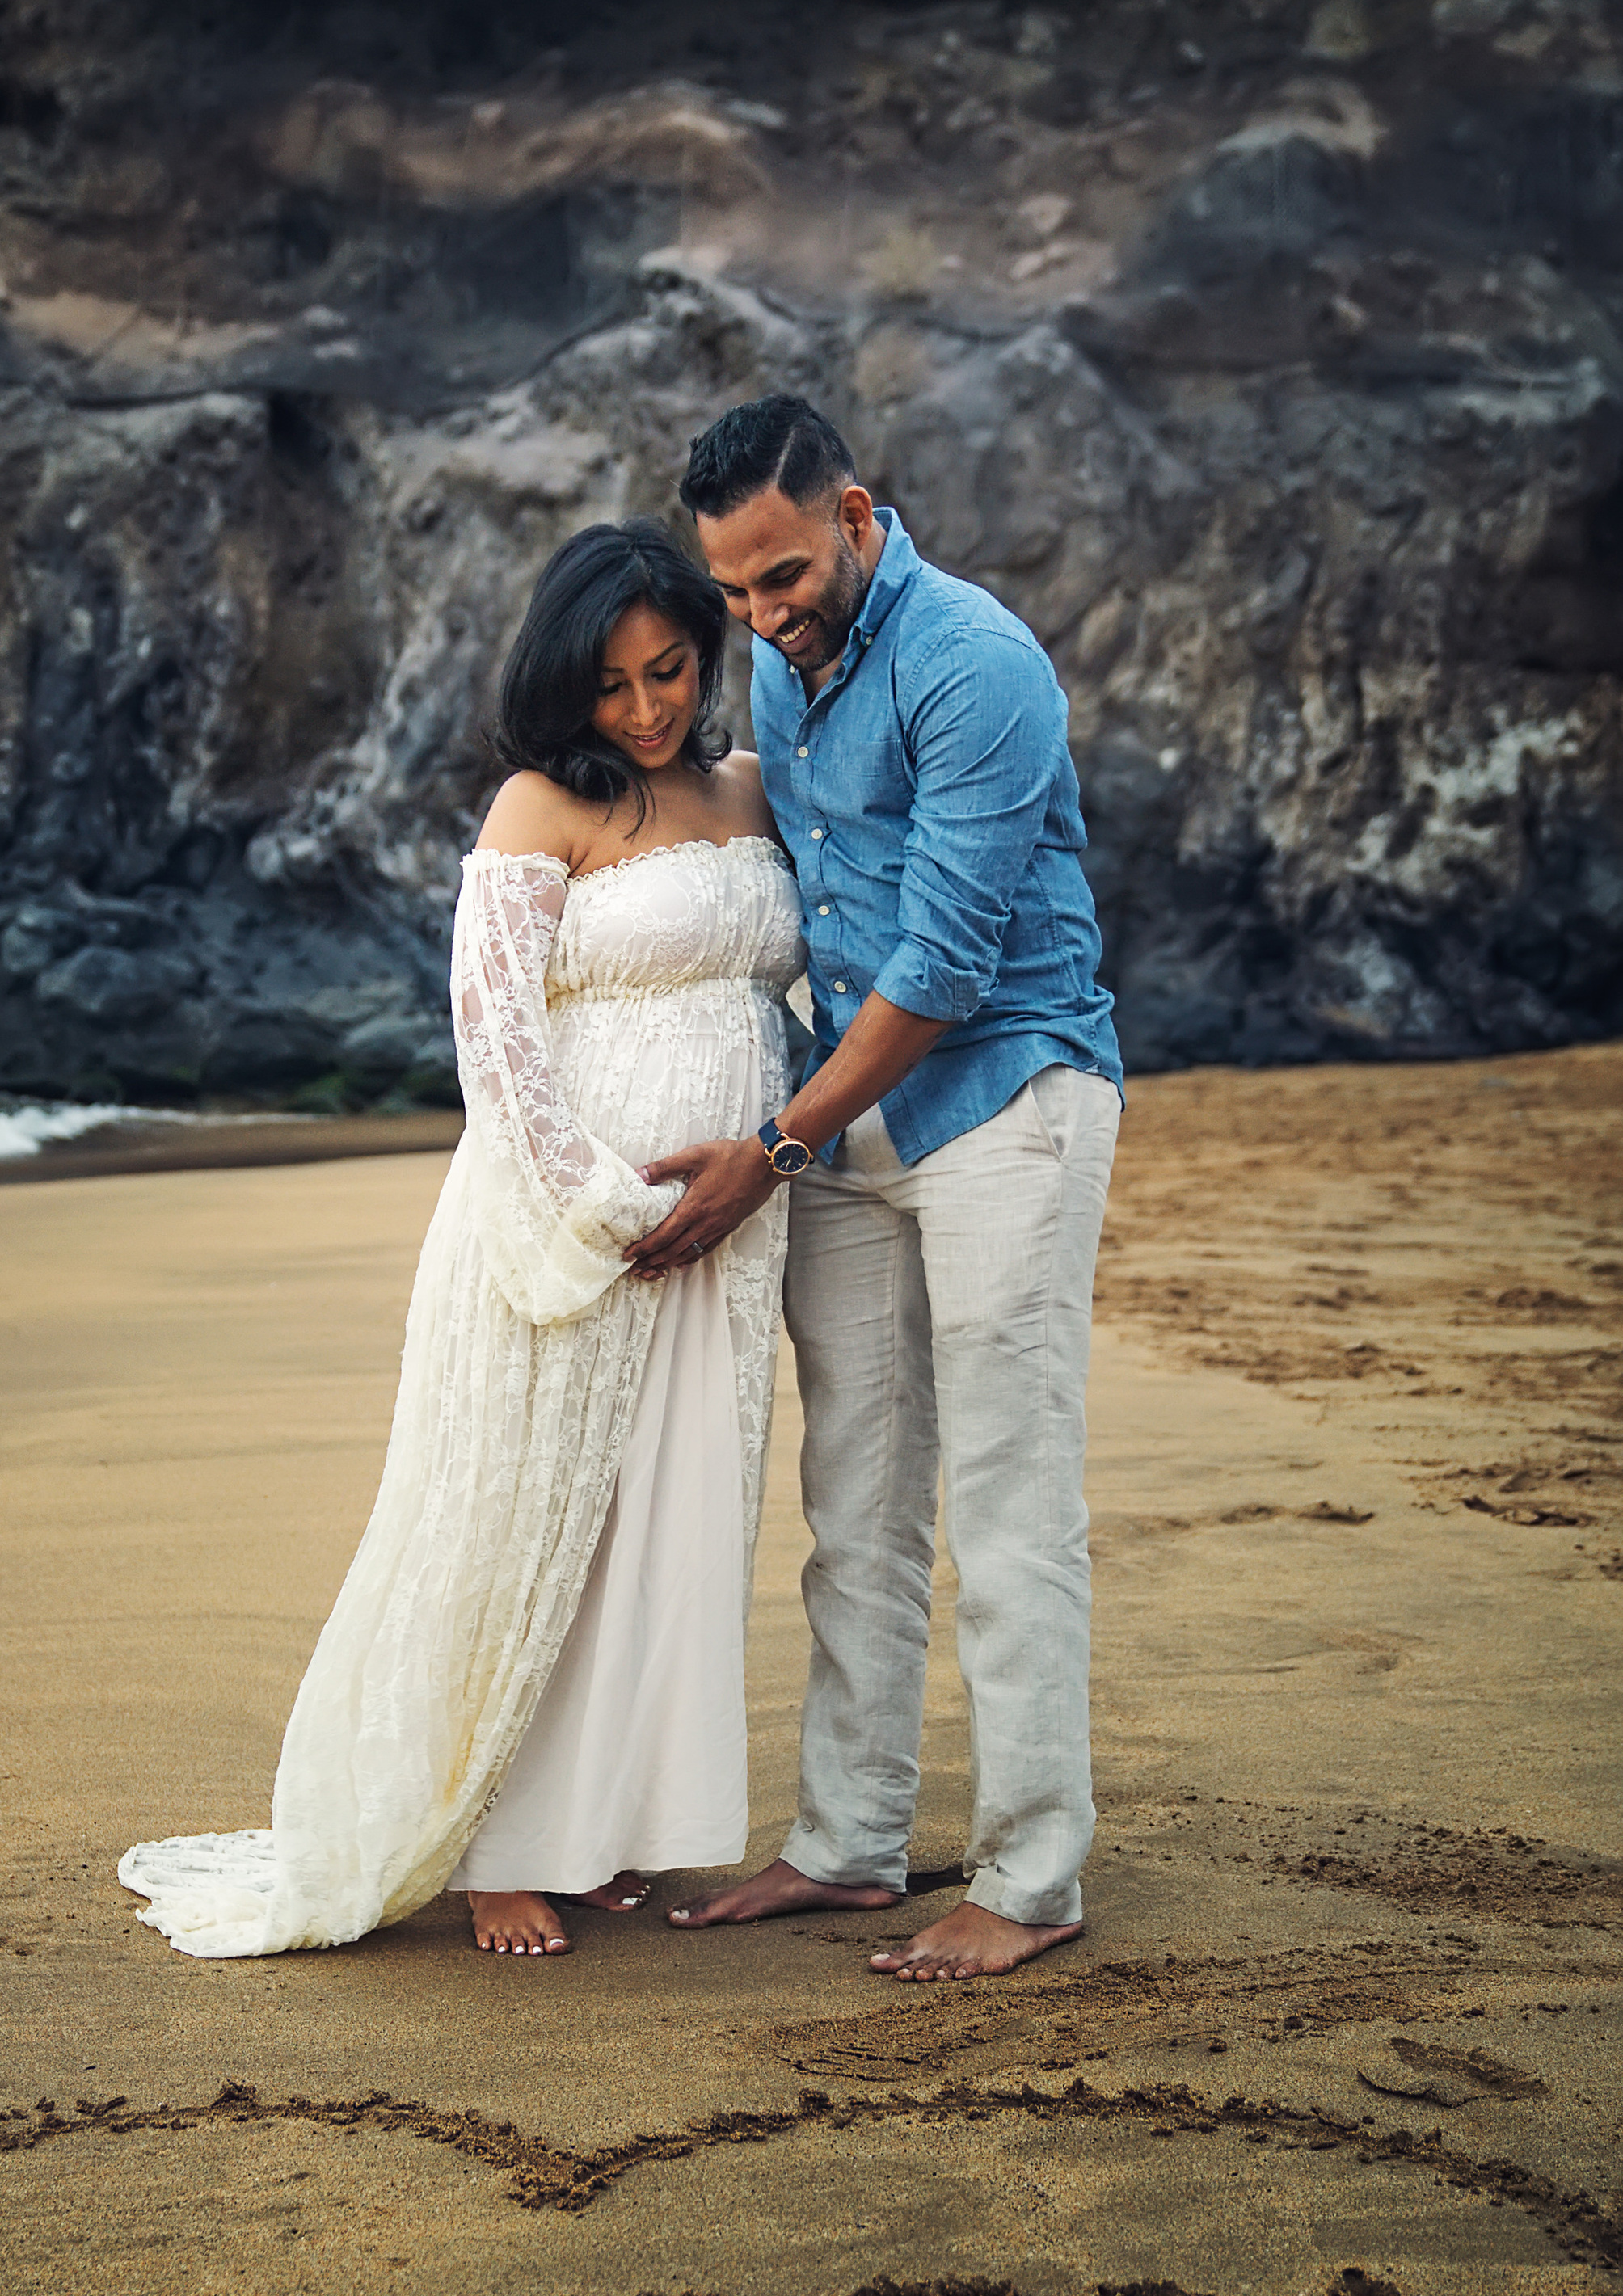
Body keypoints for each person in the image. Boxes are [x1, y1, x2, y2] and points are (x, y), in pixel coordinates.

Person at [119, 518, 802, 1960]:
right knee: (519, 1522)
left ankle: (598, 1826)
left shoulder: (751, 793)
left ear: (705, 645)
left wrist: (759, 1166)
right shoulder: (536, 808)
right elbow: (494, 1043)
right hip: (576, 1235)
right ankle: (496, 1843)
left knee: (668, 1527)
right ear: (566, 686)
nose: (646, 709)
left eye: (670, 671)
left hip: (732, 1231)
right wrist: (607, 1208)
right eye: (612, 685)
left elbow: (786, 993)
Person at [627, 395, 1124, 1985]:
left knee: (1006, 1498)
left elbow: (944, 964)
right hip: (848, 1127)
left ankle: (1029, 1877)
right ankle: (846, 1844)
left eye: (781, 576)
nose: (761, 617)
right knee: (854, 1505)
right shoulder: (775, 656)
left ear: (852, 511)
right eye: (735, 593)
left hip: (1004, 1103)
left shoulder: (973, 661)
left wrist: (767, 1145)